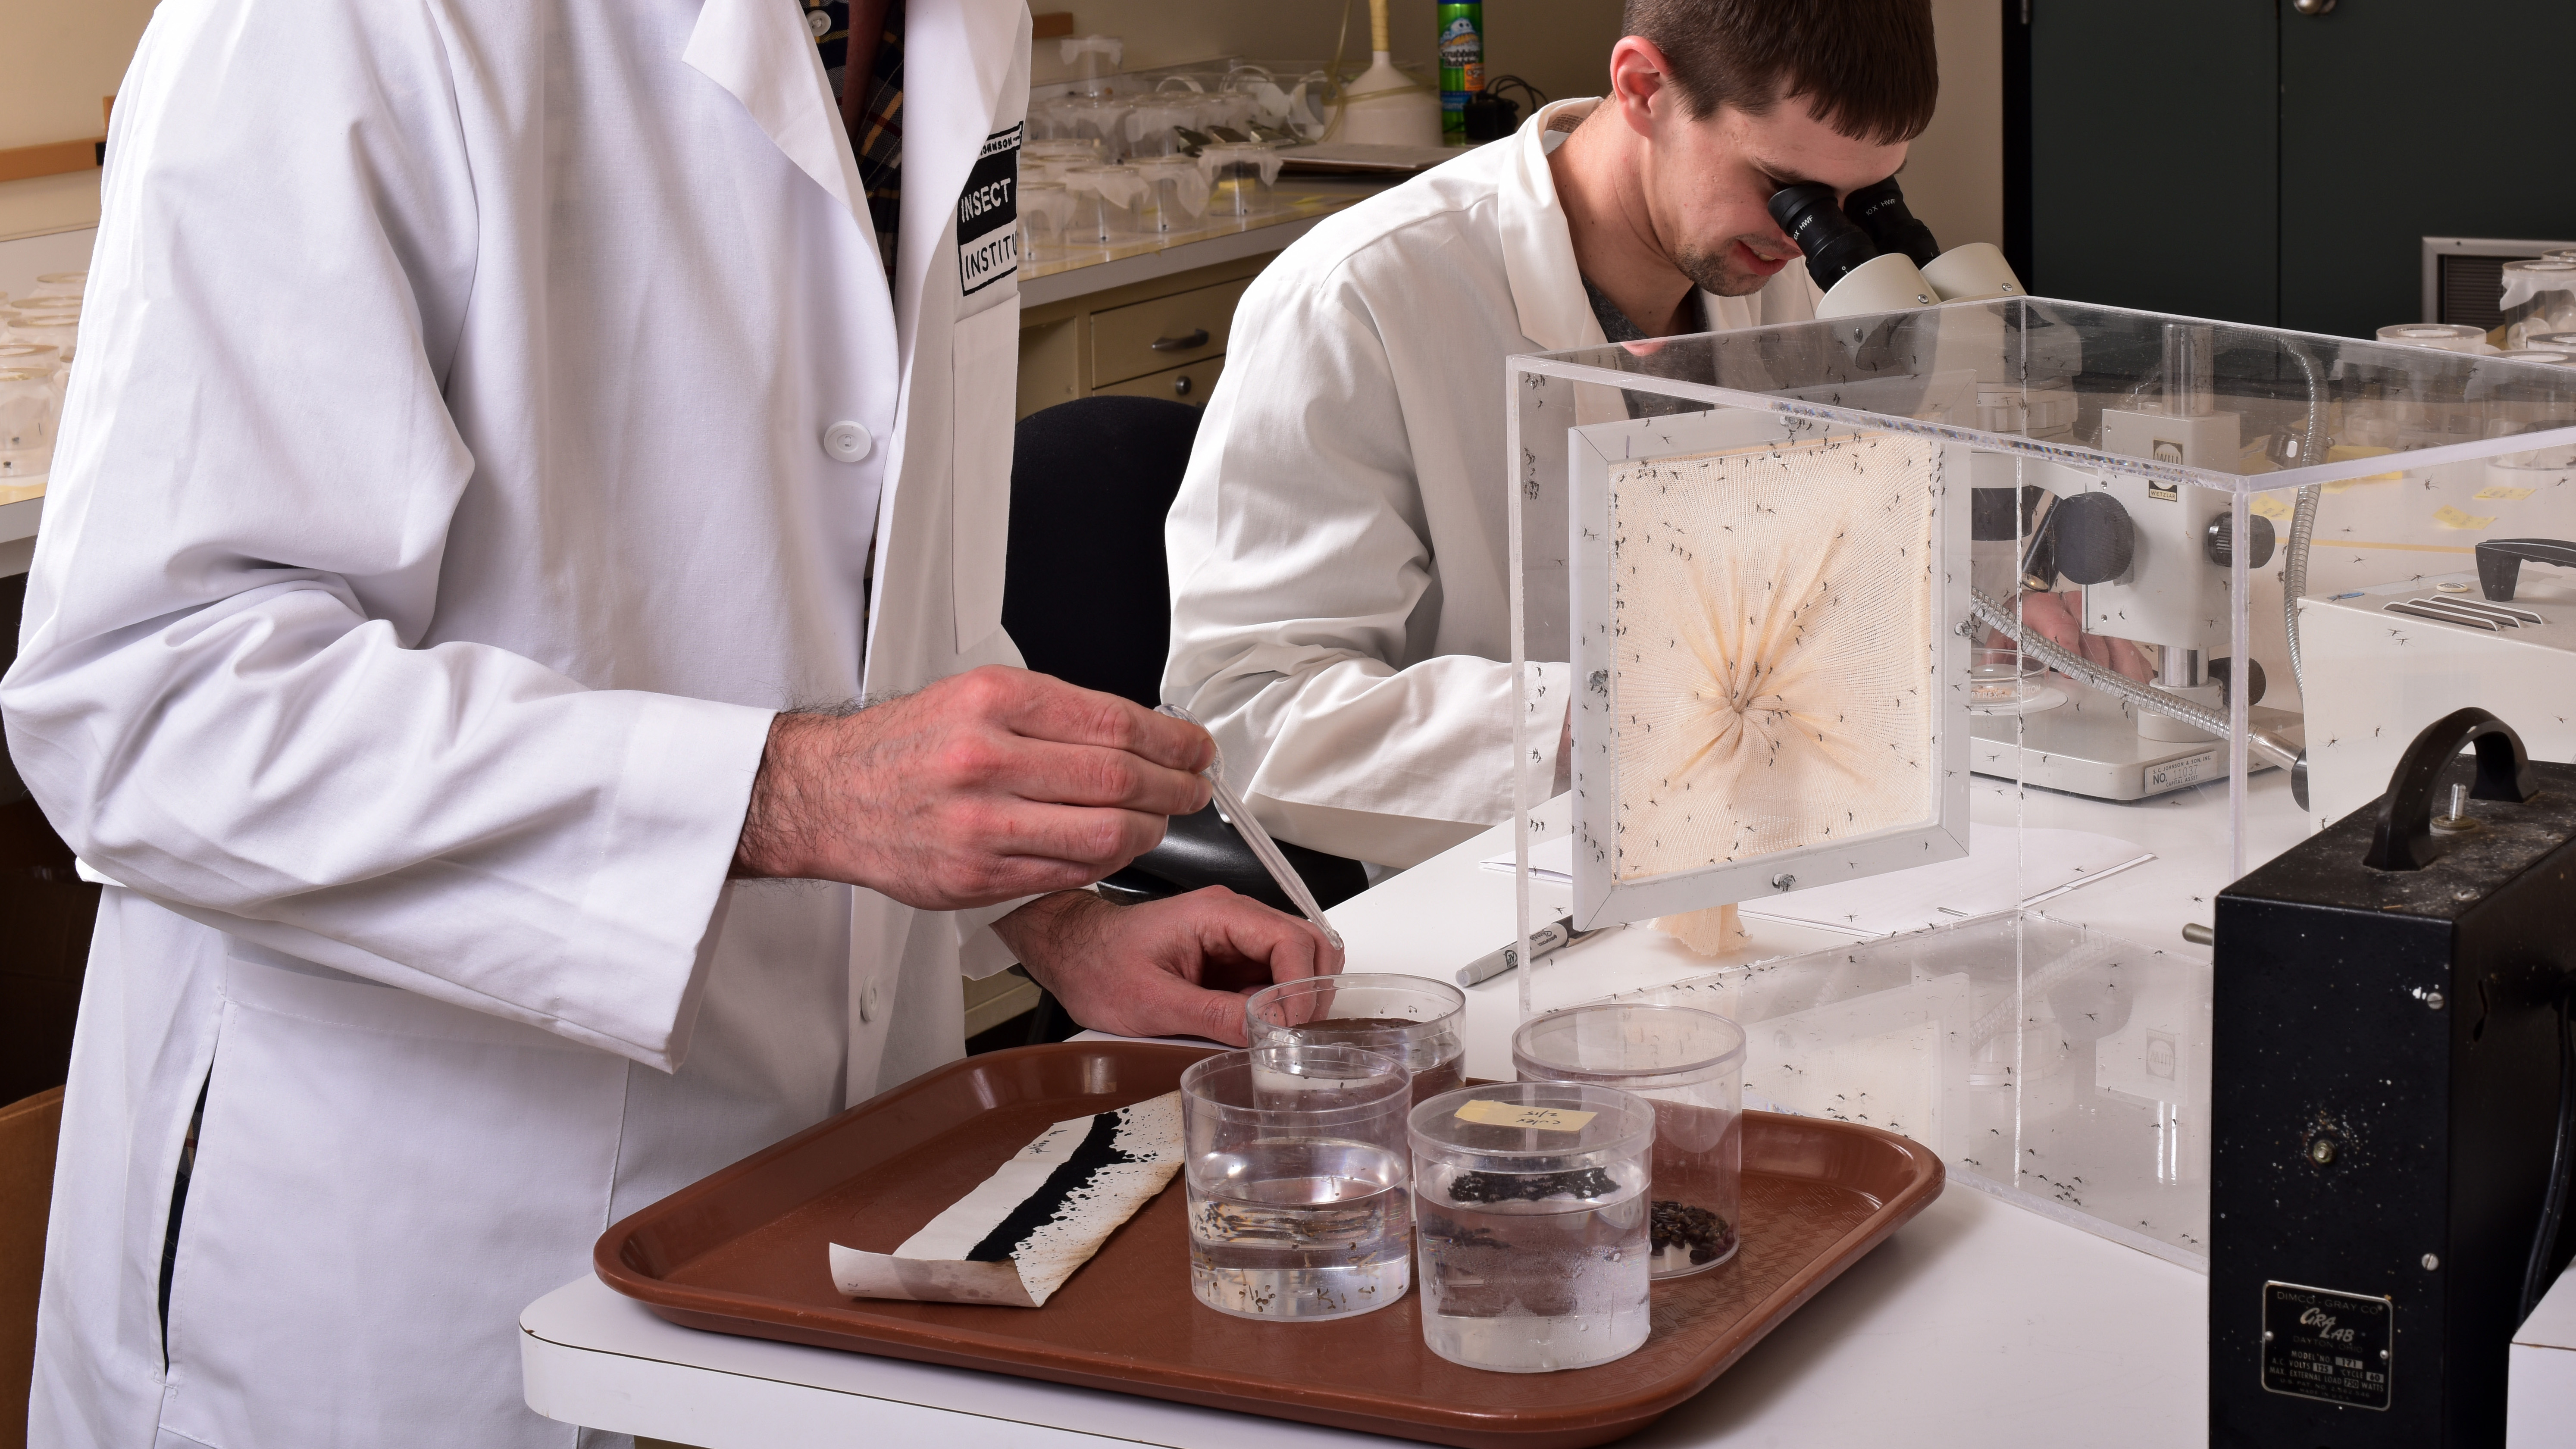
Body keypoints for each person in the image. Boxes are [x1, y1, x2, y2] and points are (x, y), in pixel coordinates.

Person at [1, 0, 1331, 1444]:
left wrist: (1051, 913)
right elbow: (150, 699)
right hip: (403, 1261)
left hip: (818, 1213)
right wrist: (794, 794)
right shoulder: (331, 27)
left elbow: (869, 597)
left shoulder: (953, 27)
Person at [1163, 0, 1942, 870]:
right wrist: (1600, 720)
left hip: (1756, 833)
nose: (1810, 240)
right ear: (1645, 87)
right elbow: (1243, 713)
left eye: (1857, 199)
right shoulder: (1358, 299)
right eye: (1787, 191)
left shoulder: (1761, 268)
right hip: (1499, 884)